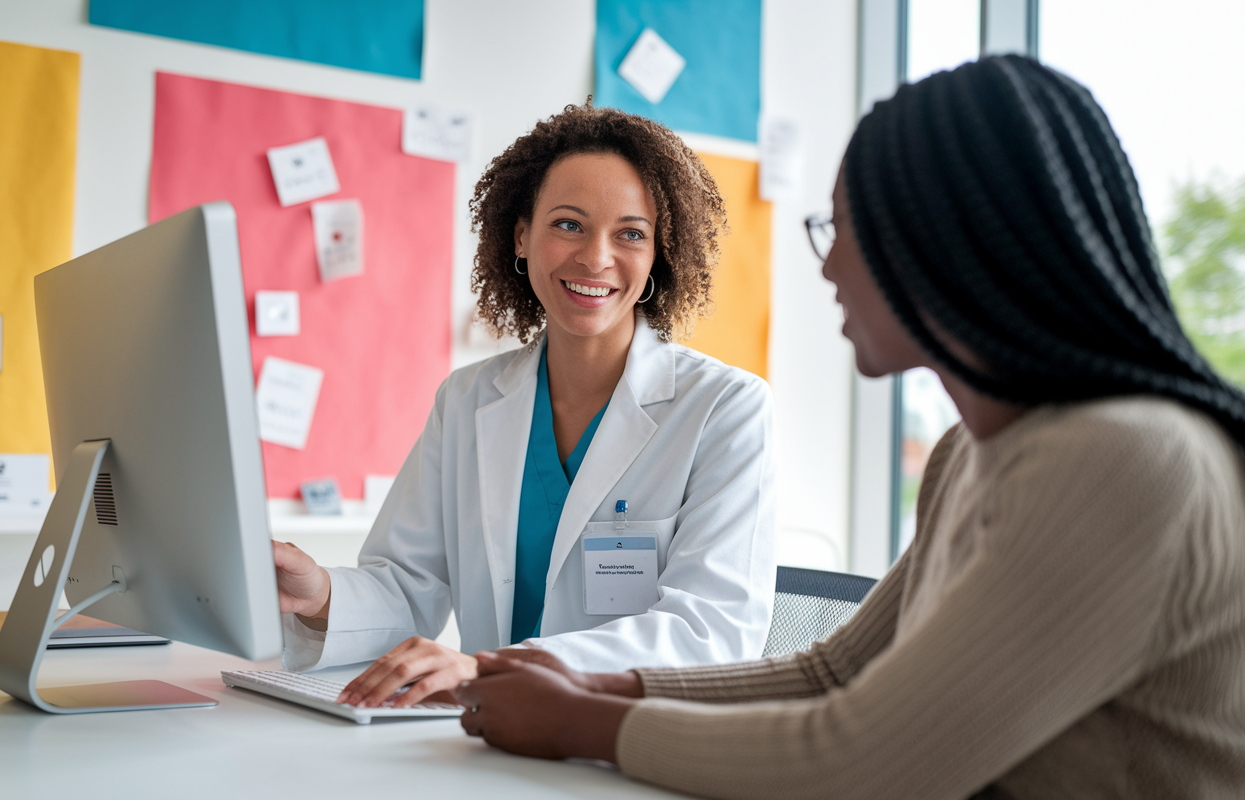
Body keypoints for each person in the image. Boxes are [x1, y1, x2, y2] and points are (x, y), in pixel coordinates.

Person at [453, 56, 1245, 799]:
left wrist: (583, 722)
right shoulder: (969, 453)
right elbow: (834, 674)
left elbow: (867, 761)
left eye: (841, 231)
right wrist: (600, 686)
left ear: (944, 243)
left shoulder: (1120, 457)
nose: (828, 269)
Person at [273, 102, 777, 710]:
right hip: (487, 738)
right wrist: (319, 594)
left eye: (631, 233)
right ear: (521, 234)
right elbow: (408, 589)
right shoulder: (468, 400)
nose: (595, 257)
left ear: (655, 259)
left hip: (628, 744)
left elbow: (711, 634)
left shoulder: (725, 409)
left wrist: (490, 669)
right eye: (568, 224)